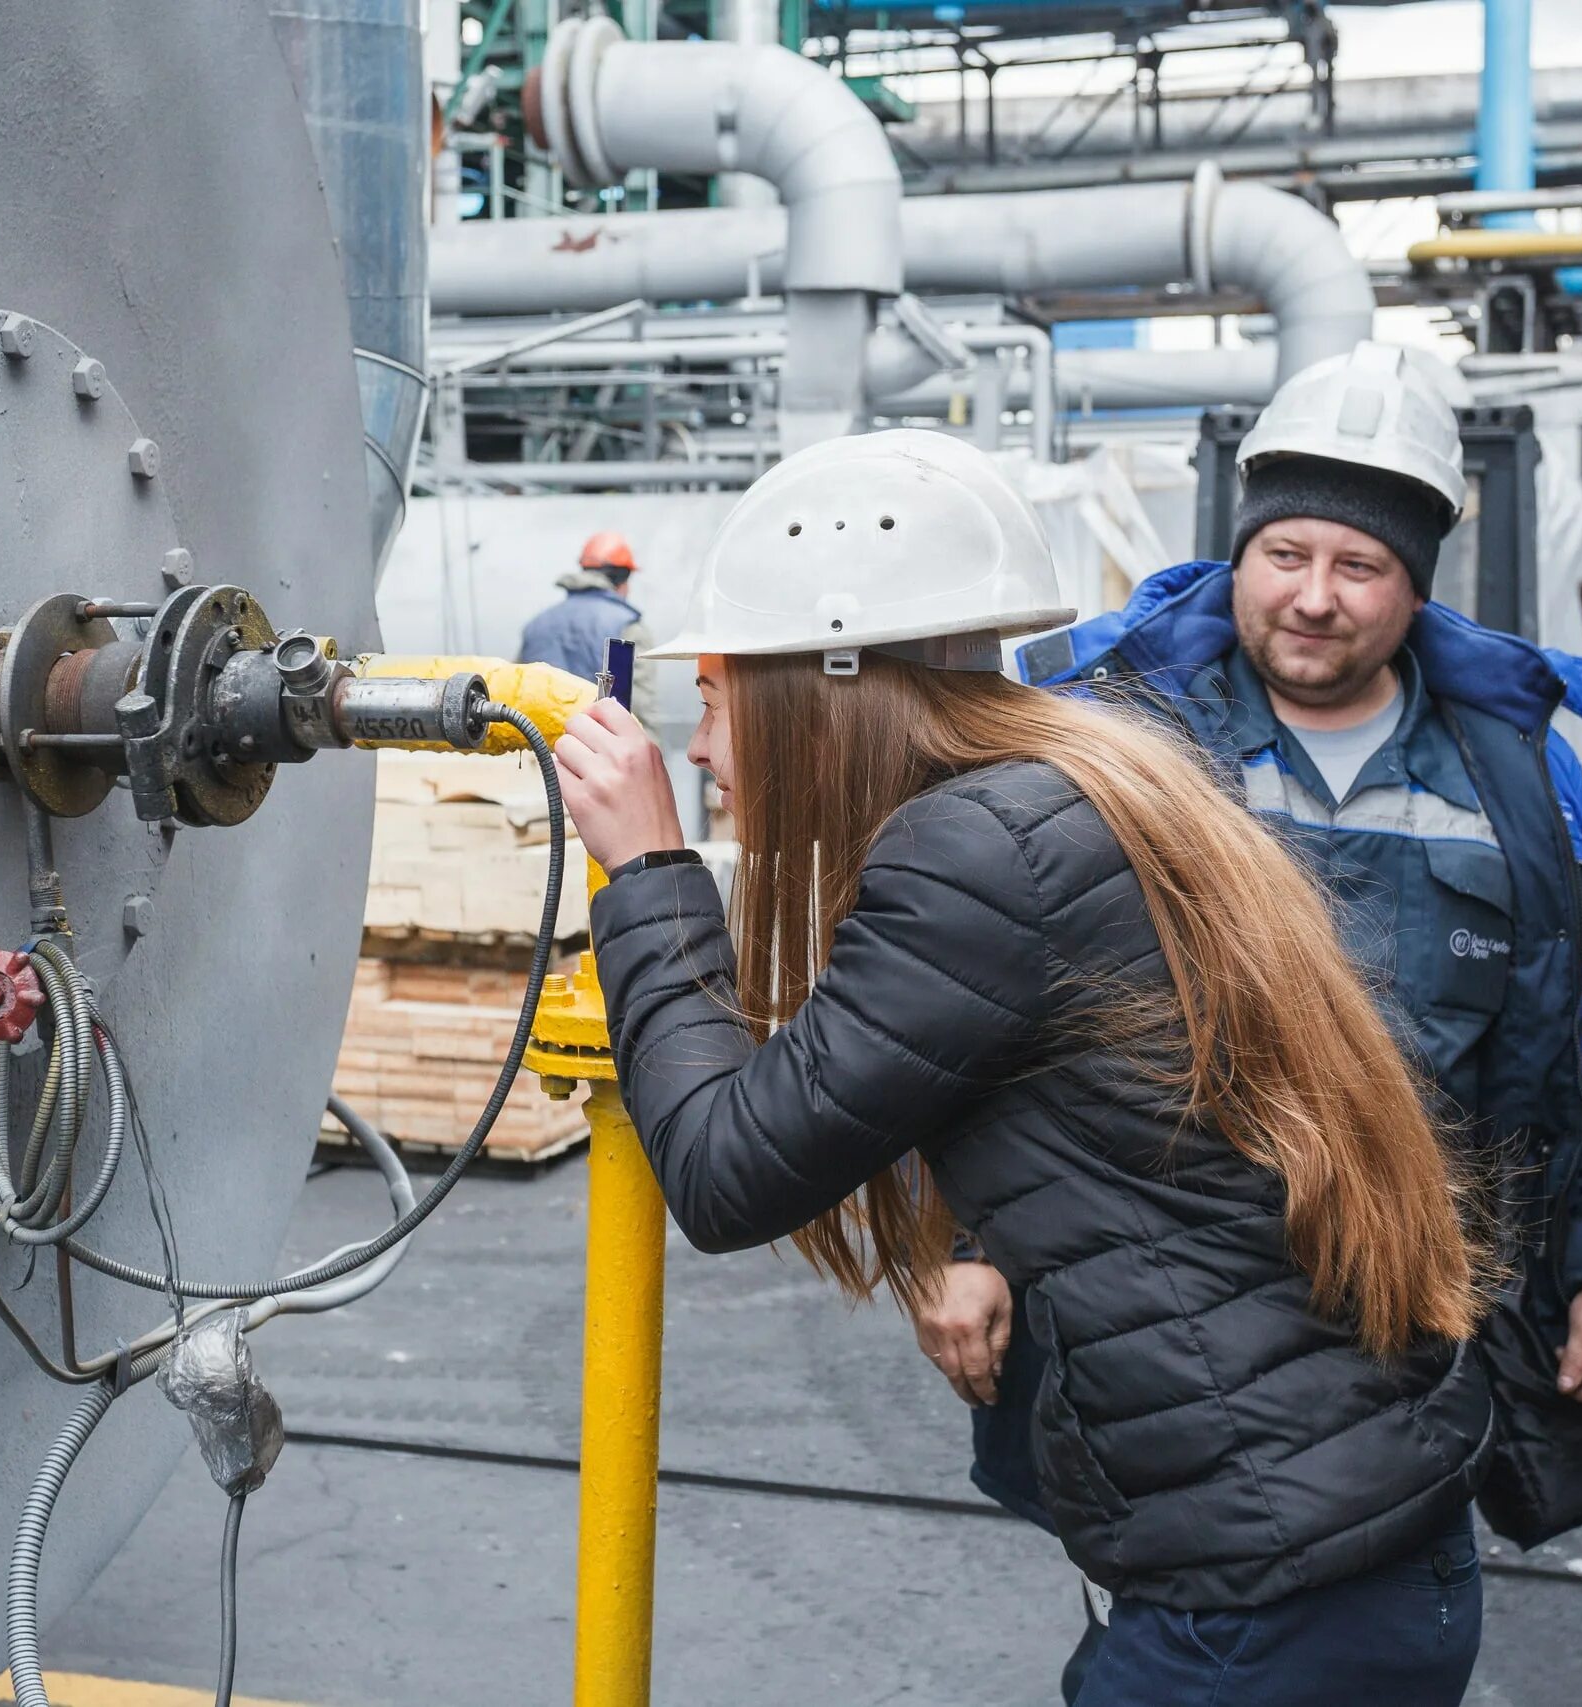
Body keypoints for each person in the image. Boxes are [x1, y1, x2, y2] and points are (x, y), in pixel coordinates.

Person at [552, 428, 1499, 1705]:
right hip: (1334, 1533)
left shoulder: (974, 856)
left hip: (1266, 1589)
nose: (707, 749)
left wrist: (651, 874)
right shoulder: (1069, 784)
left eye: (716, 697)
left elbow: (729, 1171)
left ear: (825, 682)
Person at [922, 343, 1582, 1694]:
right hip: (1148, 1312)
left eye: (1362, 566)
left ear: (1417, 583)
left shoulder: (1518, 780)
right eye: (1287, 553)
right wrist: (969, 1238)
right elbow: (1006, 1015)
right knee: (1168, 1612)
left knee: (1379, 1621)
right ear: (1240, 549)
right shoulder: (1120, 741)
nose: (1316, 598)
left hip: (1408, 1305)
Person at [516, 530, 646, 678]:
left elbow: (516, 686)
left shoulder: (537, 624)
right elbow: (638, 699)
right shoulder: (628, 628)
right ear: (622, 577)